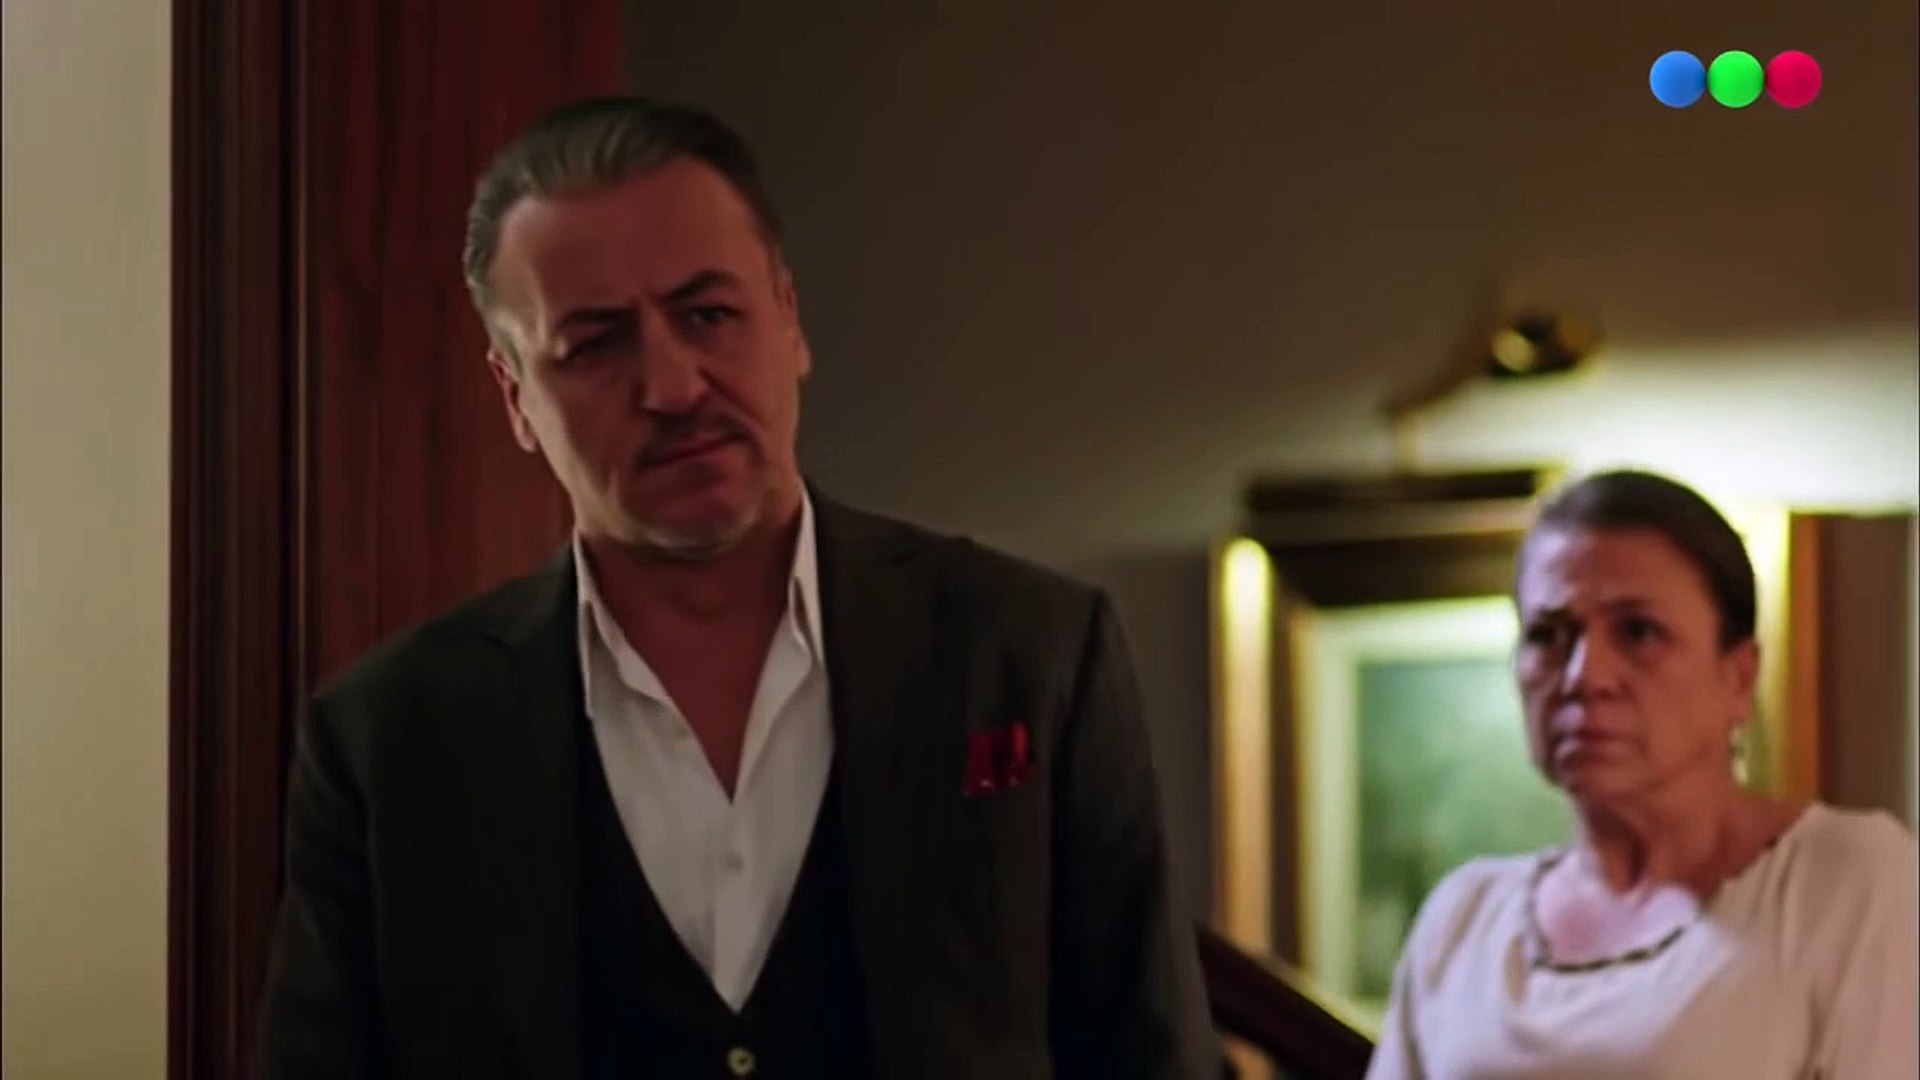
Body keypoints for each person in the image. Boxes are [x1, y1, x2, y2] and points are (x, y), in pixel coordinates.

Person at [255, 95, 1218, 1078]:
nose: (673, 386)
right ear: (516, 398)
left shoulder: (1029, 650)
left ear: (790, 319)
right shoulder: (390, 738)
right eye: (595, 343)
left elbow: (1153, 1057)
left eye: (708, 315)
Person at [1365, 469, 1918, 1078]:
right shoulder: (1465, 921)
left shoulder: (1844, 880)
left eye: (1638, 631)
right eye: (1548, 636)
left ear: (1738, 677)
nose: (1585, 676)